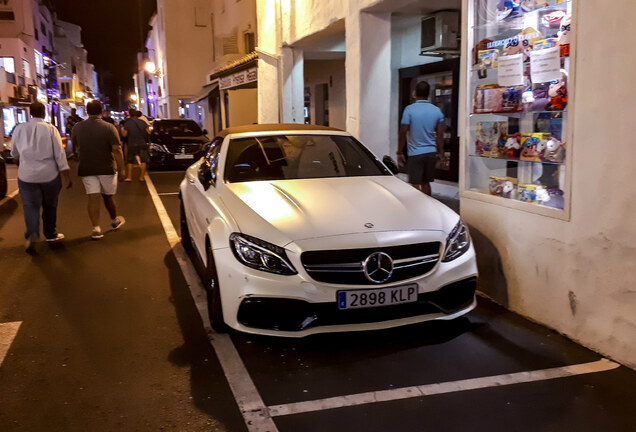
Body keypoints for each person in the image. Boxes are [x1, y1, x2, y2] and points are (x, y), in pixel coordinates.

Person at [10, 102, 72, 252]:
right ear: (44, 113)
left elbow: (14, 153)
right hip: (49, 175)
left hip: (26, 175)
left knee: (30, 207)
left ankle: (32, 234)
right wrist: (66, 176)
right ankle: (51, 234)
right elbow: (60, 154)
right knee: (50, 206)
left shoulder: (19, 129)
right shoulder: (51, 129)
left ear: (30, 113)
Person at [72, 100, 126, 240]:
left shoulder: (77, 127)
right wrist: (122, 169)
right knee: (108, 197)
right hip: (106, 167)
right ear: (101, 111)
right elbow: (117, 150)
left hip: (87, 167)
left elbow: (75, 147)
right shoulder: (109, 127)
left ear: (86, 111)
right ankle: (114, 220)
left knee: (93, 196)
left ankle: (96, 228)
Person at [397, 81, 445, 196]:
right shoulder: (437, 111)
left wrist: (399, 152)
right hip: (430, 153)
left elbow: (403, 131)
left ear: (415, 93)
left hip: (415, 153)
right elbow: (440, 135)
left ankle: (418, 209)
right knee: (426, 183)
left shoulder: (409, 109)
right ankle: (428, 207)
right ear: (428, 94)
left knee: (415, 184)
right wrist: (440, 152)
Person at [121, 109, 150, 182]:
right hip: (142, 143)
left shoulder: (128, 123)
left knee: (130, 161)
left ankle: (129, 177)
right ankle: (141, 177)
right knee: (143, 160)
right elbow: (149, 132)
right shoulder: (142, 122)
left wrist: (122, 130)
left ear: (129, 115)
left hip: (132, 144)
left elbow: (124, 134)